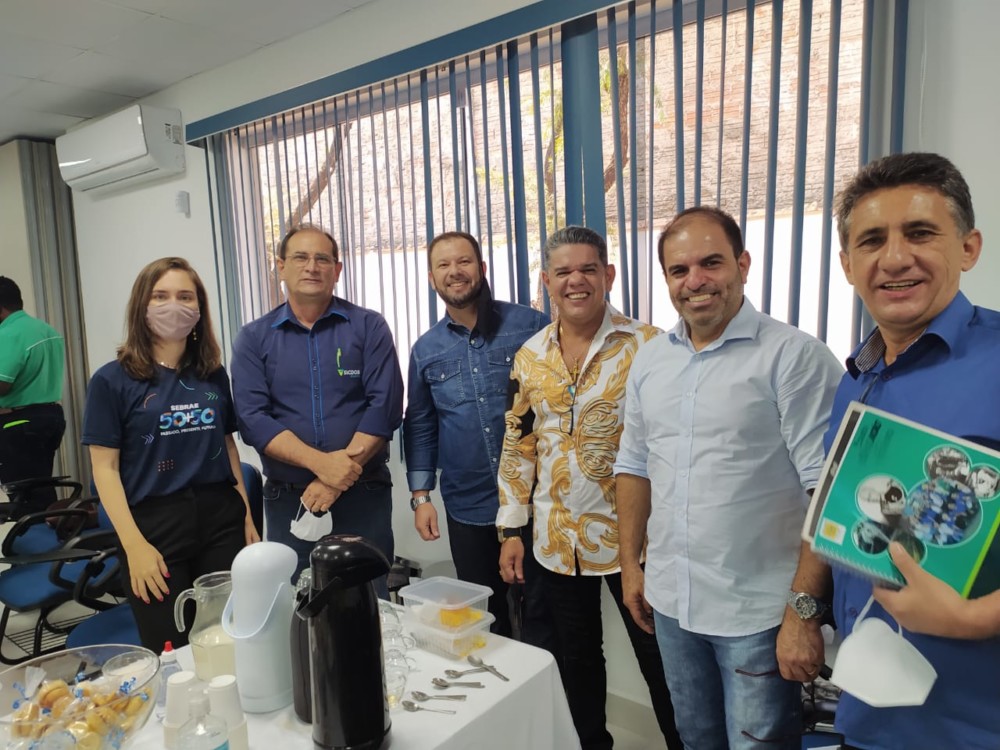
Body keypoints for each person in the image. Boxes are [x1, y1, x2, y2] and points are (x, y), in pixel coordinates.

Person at [778, 152, 1000, 749]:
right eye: (872, 241)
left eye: (921, 233)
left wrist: (975, 618)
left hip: (970, 722)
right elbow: (835, 507)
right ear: (848, 265)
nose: (895, 258)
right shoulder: (859, 376)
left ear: (969, 247)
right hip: (867, 704)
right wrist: (803, 609)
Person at [613, 206, 843, 750]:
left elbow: (827, 495)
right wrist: (630, 564)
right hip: (672, 602)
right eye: (679, 270)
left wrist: (804, 612)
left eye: (711, 263)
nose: (695, 281)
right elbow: (634, 466)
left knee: (757, 745)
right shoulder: (650, 361)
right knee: (695, 739)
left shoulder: (794, 358)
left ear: (742, 264)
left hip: (758, 613)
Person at [496, 225, 681, 750]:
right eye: (563, 272)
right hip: (557, 542)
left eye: (587, 269)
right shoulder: (529, 355)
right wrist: (511, 528)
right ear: (546, 282)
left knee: (661, 662)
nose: (576, 281)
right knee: (576, 662)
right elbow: (519, 443)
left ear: (608, 275)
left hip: (637, 543)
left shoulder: (650, 347)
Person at [82, 257, 259, 651]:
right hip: (153, 526)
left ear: (198, 310)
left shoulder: (211, 373)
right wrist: (133, 546)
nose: (173, 305)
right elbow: (104, 469)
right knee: (172, 649)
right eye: (160, 296)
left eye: (184, 296)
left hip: (220, 519)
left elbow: (226, 445)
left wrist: (246, 513)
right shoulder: (111, 380)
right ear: (142, 306)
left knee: (229, 641)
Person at [231, 224, 403, 581]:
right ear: (280, 266)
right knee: (298, 604)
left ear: (337, 270)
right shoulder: (253, 338)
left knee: (370, 604)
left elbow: (384, 406)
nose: (312, 266)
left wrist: (334, 480)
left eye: (322, 258)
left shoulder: (369, 327)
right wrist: (323, 466)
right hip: (288, 501)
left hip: (363, 495)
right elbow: (253, 420)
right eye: (300, 257)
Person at [403, 231, 552, 641]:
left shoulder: (530, 325)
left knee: (545, 618)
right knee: (486, 618)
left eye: (464, 261)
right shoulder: (425, 350)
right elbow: (420, 424)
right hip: (468, 505)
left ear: (482, 269)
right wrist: (421, 496)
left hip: (535, 504)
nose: (455, 272)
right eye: (443, 265)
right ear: (432, 278)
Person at [0, 276, 66, 496]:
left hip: (19, 423)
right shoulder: (46, 329)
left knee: (24, 496)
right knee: (40, 488)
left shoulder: (9, 334)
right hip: (50, 417)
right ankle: (48, 526)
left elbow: (2, 384)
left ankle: (31, 530)